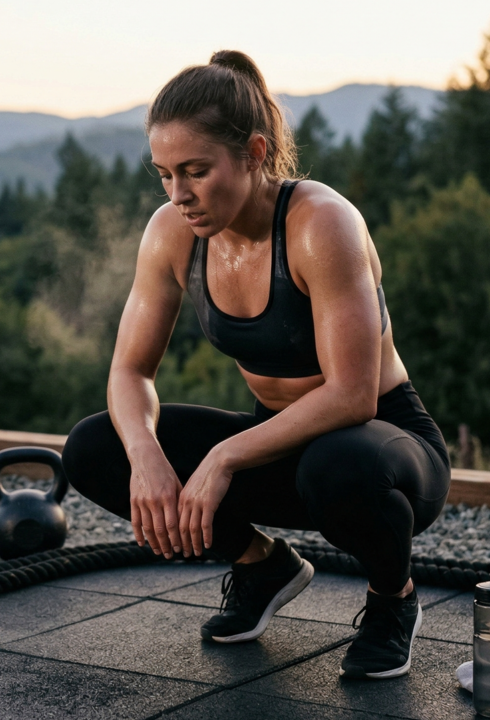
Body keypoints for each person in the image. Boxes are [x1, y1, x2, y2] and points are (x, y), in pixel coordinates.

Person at [60, 50, 450, 680]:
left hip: (385, 452)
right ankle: (261, 565)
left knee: (340, 461)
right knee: (94, 446)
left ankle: (392, 600)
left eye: (196, 171)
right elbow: (129, 372)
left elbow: (353, 397)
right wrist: (146, 458)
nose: (179, 194)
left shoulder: (322, 224)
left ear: (255, 152)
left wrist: (222, 457)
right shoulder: (172, 233)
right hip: (276, 445)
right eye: (164, 174)